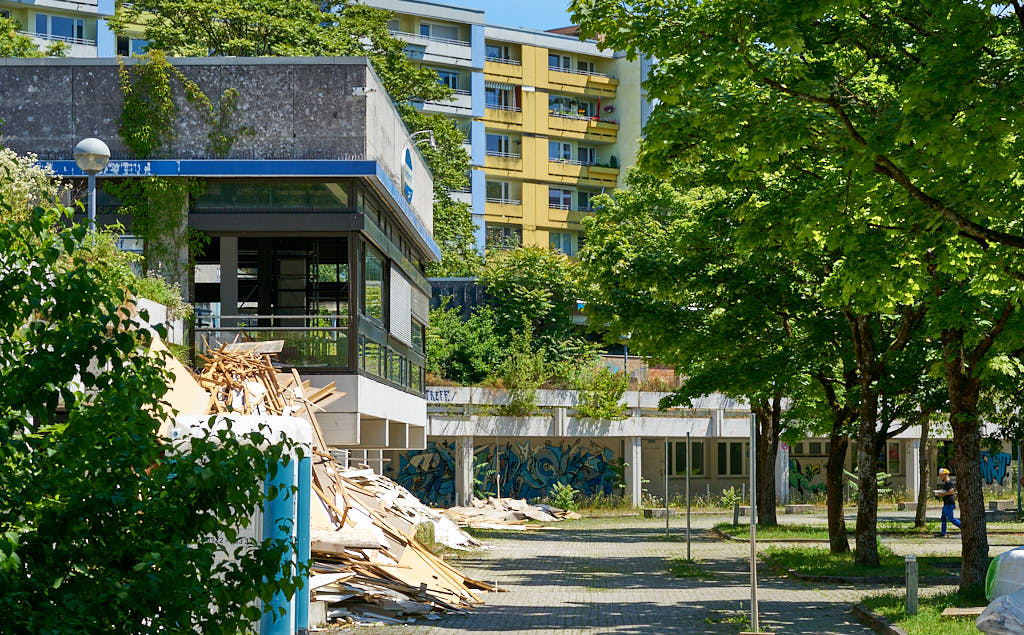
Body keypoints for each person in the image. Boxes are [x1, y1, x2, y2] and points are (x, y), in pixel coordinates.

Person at [934, 467, 961, 537]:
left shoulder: (949, 483)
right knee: (943, 517)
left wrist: (942, 494)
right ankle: (943, 532)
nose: (940, 477)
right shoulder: (946, 483)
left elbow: (951, 491)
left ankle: (964, 528)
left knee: (951, 519)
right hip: (946, 503)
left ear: (945, 474)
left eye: (941, 475)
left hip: (949, 503)